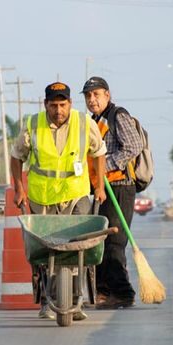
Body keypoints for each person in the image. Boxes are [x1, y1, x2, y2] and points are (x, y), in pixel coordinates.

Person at [10, 81, 107, 320]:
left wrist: (100, 186)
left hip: (76, 195)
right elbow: (16, 157)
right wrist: (19, 188)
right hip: (42, 198)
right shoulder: (32, 125)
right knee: (44, 251)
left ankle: (76, 298)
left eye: (63, 105)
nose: (58, 111)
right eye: (53, 105)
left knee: (79, 247)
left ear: (70, 104)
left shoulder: (84, 123)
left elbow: (99, 153)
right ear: (46, 105)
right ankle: (46, 299)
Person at [82, 76, 143, 309]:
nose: (92, 99)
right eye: (88, 96)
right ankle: (103, 292)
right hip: (101, 189)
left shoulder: (118, 116)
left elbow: (134, 146)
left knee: (114, 243)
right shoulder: (93, 120)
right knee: (99, 241)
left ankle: (123, 294)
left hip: (120, 187)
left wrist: (104, 165)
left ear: (107, 95)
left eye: (96, 94)